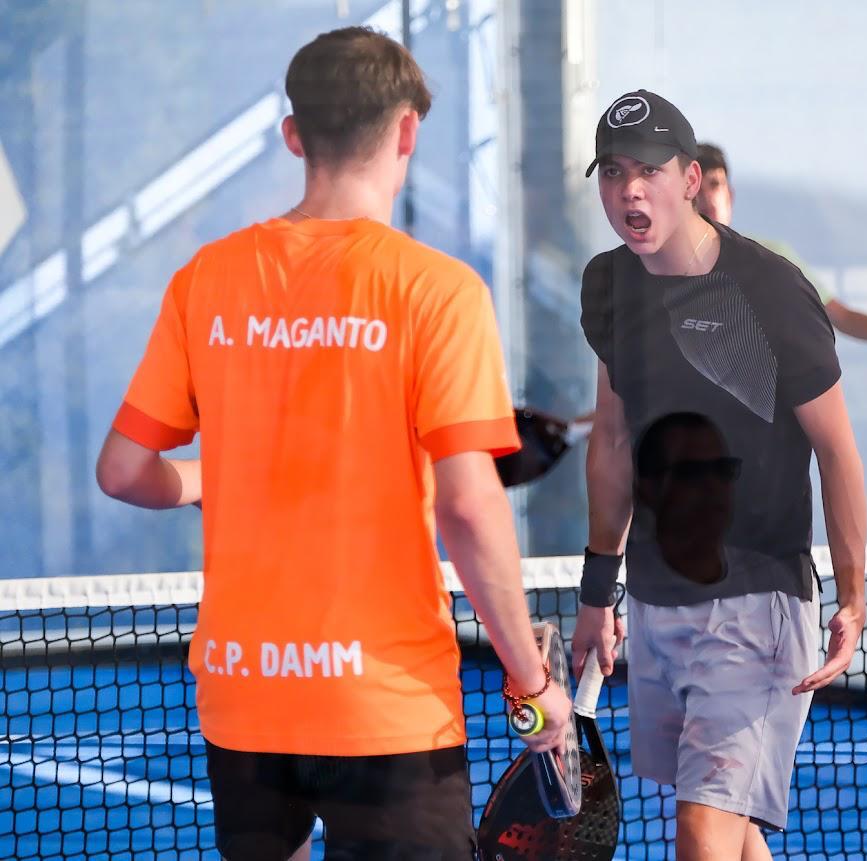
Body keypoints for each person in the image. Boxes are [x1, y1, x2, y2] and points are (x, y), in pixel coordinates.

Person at [95, 27, 569, 861]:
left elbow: (124, 470)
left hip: (243, 697)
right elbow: (467, 503)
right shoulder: (439, 291)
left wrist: (220, 475)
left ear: (293, 136)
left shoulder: (205, 279)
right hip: (383, 706)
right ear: (406, 132)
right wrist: (531, 678)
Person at [572, 90, 867, 861]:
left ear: (691, 178)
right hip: (658, 593)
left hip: (759, 598)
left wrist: (853, 598)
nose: (629, 189)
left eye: (649, 170)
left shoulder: (770, 290)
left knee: (702, 829)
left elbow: (837, 450)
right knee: (729, 832)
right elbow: (610, 437)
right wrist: (596, 596)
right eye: (612, 172)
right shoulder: (607, 285)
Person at [695, 142, 867, 354]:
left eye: (715, 184)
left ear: (730, 194)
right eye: (698, 188)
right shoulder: (662, 263)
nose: (708, 198)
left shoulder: (770, 256)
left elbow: (841, 317)